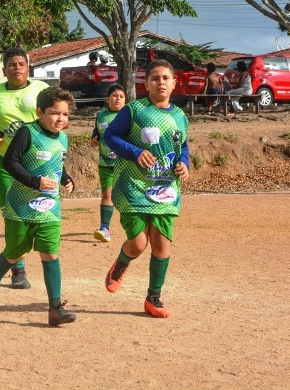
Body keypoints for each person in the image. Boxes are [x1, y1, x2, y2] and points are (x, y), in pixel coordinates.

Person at [0, 87, 77, 326]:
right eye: (54, 113)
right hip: (20, 206)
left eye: (65, 114)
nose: (60, 119)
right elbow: (10, 162)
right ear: (40, 112)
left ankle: (55, 309)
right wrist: (34, 181)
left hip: (50, 208)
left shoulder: (63, 138)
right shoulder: (27, 132)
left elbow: (57, 165)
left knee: (51, 254)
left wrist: (66, 178)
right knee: (14, 253)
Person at [103, 59, 190, 318]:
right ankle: (121, 262)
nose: (160, 82)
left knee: (162, 245)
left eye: (165, 78)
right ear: (146, 83)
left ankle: (154, 298)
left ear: (174, 83)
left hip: (166, 189)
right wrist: (135, 152)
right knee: (139, 244)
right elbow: (110, 136)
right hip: (134, 187)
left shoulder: (180, 116)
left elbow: (183, 146)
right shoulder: (134, 110)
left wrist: (184, 163)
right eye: (155, 78)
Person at [0, 47, 49, 289]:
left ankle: (29, 257)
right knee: (11, 212)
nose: (17, 67)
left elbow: (57, 115)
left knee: (37, 213)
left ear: (28, 67)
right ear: (4, 69)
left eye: (21, 63)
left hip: (36, 163)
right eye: (12, 64)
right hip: (3, 162)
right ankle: (18, 268)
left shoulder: (42, 90)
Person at [90, 84, 126, 242]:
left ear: (125, 100)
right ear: (107, 99)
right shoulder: (101, 116)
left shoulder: (128, 115)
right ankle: (105, 228)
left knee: (126, 196)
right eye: (114, 95)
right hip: (105, 162)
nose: (117, 98)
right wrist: (94, 139)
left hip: (125, 163)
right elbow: (96, 133)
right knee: (107, 194)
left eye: (121, 96)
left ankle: (133, 226)